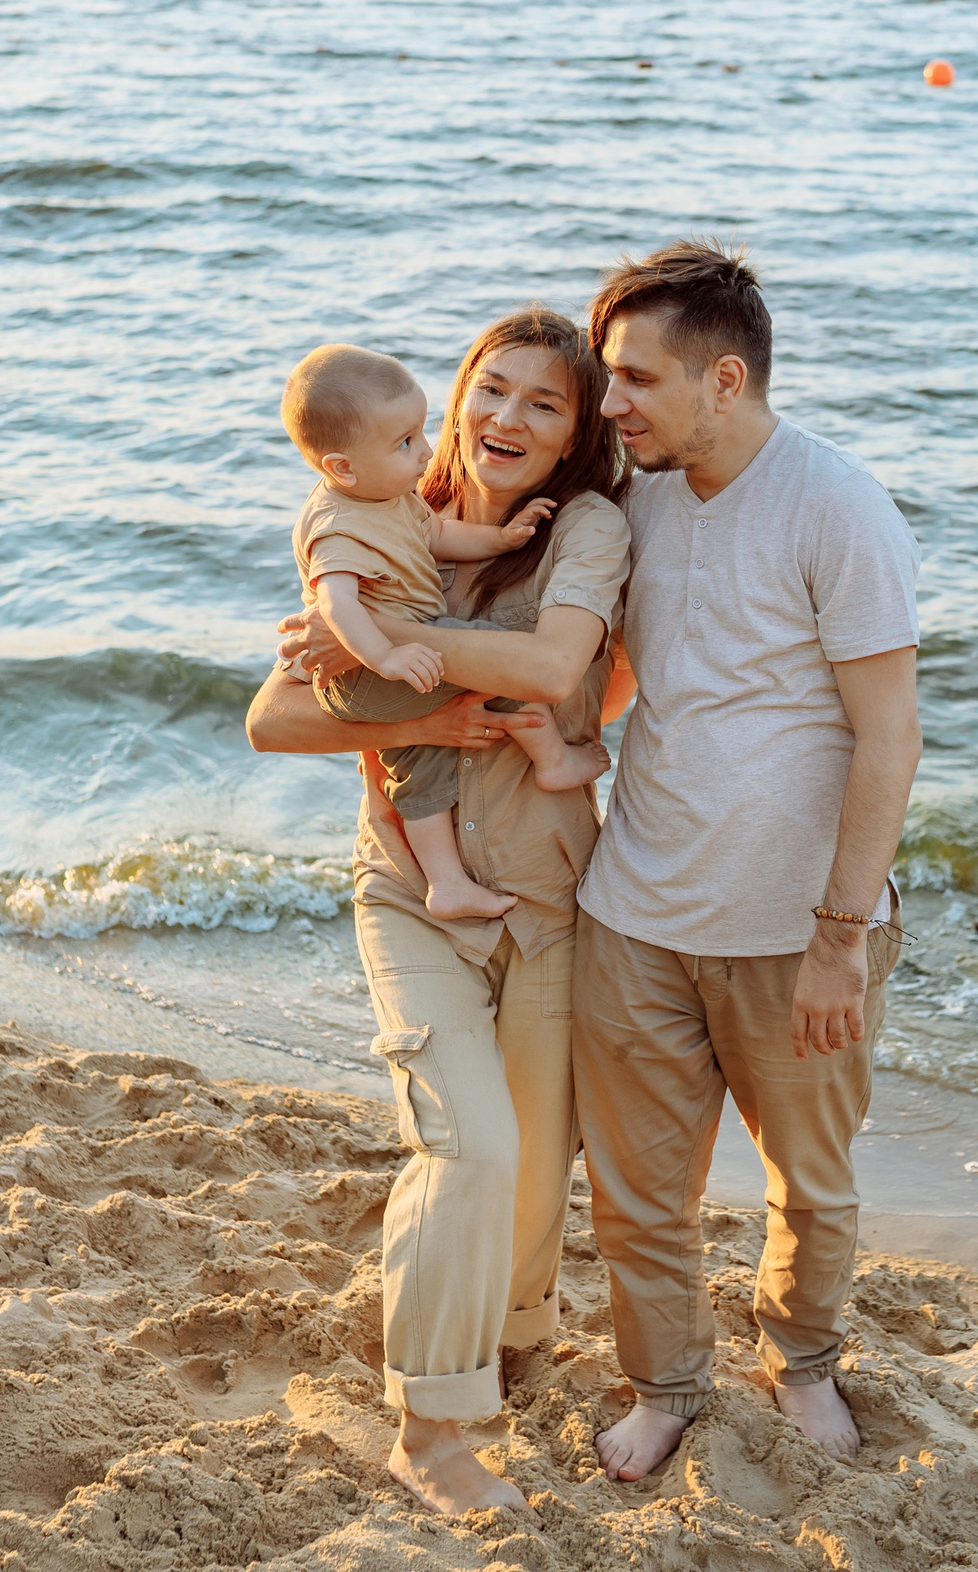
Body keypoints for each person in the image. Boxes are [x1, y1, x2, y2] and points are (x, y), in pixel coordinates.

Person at [245, 308, 631, 1514]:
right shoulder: (377, 507)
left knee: (530, 1166)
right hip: (411, 893)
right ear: (458, 396)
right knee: (465, 1142)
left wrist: (389, 644)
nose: (508, 418)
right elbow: (276, 717)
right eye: (492, 390)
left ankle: (506, 1339)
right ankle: (433, 1431)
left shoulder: (588, 532)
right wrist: (413, 718)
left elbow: (553, 671)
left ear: (575, 435)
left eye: (545, 404)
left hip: (552, 896)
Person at [566, 241, 922, 1480]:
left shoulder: (837, 505)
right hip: (634, 912)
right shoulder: (639, 500)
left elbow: (890, 733)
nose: (611, 406)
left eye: (633, 380)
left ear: (725, 381)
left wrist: (838, 937)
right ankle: (664, 1385)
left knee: (810, 1188)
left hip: (795, 934)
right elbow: (628, 670)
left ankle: (804, 1362)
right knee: (636, 1193)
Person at [275, 343, 610, 921]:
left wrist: (505, 541)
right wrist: (384, 654)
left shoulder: (392, 498)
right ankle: (551, 758)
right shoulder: (340, 522)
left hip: (540, 881)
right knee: (487, 663)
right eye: (405, 442)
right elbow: (332, 608)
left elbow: (439, 537)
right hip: (374, 673)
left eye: (543, 405)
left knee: (422, 763)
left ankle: (447, 883)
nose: (427, 450)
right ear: (342, 467)